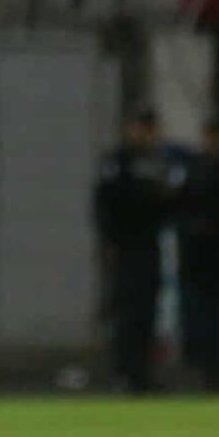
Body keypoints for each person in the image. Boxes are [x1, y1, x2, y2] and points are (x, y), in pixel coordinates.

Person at [93, 110, 173, 394]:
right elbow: (104, 205)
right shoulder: (118, 161)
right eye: (141, 127)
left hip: (149, 245)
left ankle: (142, 374)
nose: (146, 133)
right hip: (125, 245)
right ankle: (124, 373)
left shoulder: (158, 163)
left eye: (150, 128)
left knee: (147, 311)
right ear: (131, 129)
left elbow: (167, 206)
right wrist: (109, 242)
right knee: (126, 310)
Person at [176, 120, 219, 392]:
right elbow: (181, 209)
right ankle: (211, 376)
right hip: (203, 258)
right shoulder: (194, 170)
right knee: (207, 319)